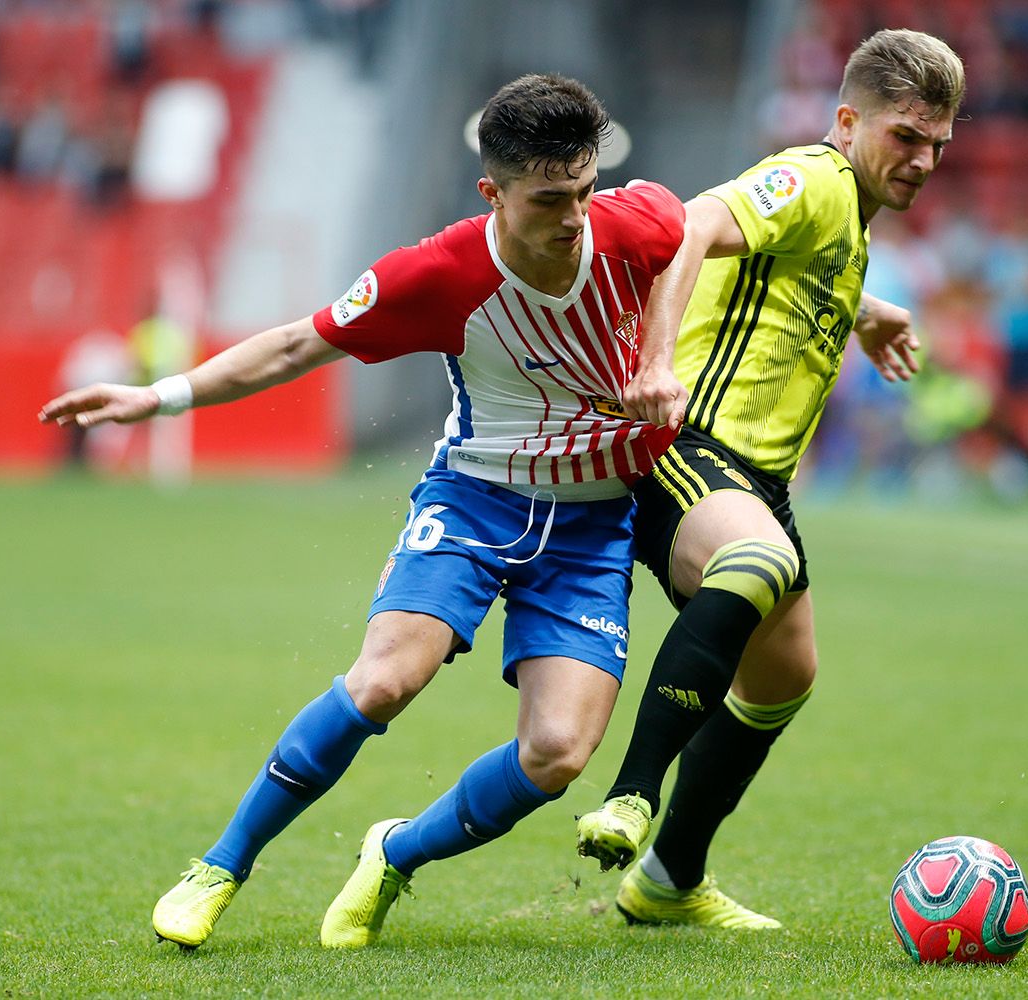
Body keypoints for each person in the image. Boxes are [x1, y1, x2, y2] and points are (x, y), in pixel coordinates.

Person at [38, 74, 684, 949]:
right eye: (547, 200)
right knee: (383, 681)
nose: (573, 218)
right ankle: (220, 866)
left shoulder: (634, 224)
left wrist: (668, 349)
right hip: (477, 500)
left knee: (559, 755)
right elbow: (301, 341)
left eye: (583, 191)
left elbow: (703, 231)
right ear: (491, 193)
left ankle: (396, 855)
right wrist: (157, 397)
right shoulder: (439, 273)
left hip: (593, 524)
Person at [574, 28, 965, 926]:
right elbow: (697, 226)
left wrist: (862, 311)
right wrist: (657, 364)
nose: (924, 161)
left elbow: (787, 271)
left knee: (785, 674)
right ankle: (632, 795)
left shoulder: (849, 217)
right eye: (906, 137)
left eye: (939, 143)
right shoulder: (815, 178)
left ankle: (668, 882)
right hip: (690, 447)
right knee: (756, 566)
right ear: (846, 121)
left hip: (757, 479)